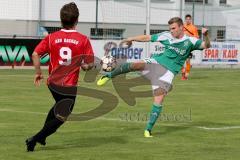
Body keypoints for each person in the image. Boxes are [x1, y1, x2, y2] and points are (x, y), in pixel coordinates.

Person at [97, 17, 210, 137]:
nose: (171, 31)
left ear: (181, 27)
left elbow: (206, 45)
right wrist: (131, 38)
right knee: (136, 65)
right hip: (156, 62)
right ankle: (108, 75)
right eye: (170, 28)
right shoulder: (166, 36)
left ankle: (148, 130)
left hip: (168, 73)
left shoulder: (191, 41)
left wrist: (206, 35)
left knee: (159, 100)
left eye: (173, 28)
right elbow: (148, 38)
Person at [25, 2, 94, 151]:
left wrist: (38, 73)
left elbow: (35, 54)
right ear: (77, 20)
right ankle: (34, 139)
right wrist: (85, 66)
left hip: (53, 84)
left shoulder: (51, 38)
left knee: (58, 107)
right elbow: (87, 66)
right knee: (62, 116)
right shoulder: (83, 40)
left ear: (61, 20)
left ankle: (42, 137)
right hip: (68, 86)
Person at [181, 14, 199, 80]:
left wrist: (190, 38)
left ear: (191, 20)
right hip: (182, 46)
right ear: (185, 20)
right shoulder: (182, 27)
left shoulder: (193, 28)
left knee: (188, 60)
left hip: (189, 46)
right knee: (181, 60)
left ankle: (186, 75)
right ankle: (183, 72)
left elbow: (196, 37)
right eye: (187, 19)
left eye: (189, 19)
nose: (188, 20)